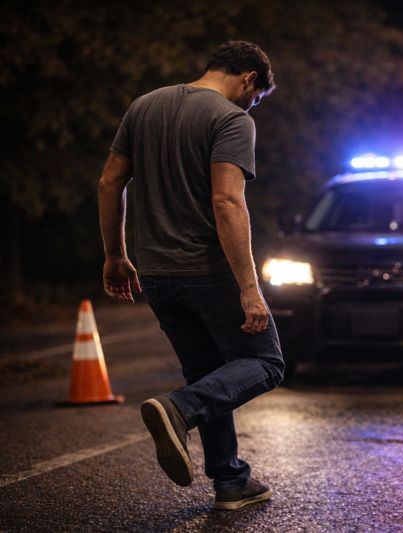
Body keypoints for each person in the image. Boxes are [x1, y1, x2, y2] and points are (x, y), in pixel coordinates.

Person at [98, 40, 285, 508]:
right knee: (266, 363)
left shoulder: (144, 106)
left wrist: (115, 255)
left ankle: (230, 480)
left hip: (156, 273)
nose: (252, 105)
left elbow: (109, 182)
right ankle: (180, 408)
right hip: (206, 270)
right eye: (256, 97)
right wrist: (250, 289)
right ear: (249, 79)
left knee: (208, 372)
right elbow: (226, 202)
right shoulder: (231, 119)